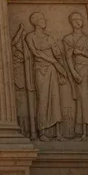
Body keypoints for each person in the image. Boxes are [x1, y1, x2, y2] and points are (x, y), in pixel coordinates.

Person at [24, 12, 68, 140]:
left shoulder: (49, 37)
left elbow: (57, 54)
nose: (44, 21)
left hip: (52, 70)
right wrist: (52, 60)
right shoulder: (30, 36)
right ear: (35, 21)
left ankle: (58, 133)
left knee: (55, 99)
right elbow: (35, 53)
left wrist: (58, 55)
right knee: (42, 99)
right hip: (40, 69)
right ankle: (42, 131)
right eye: (41, 19)